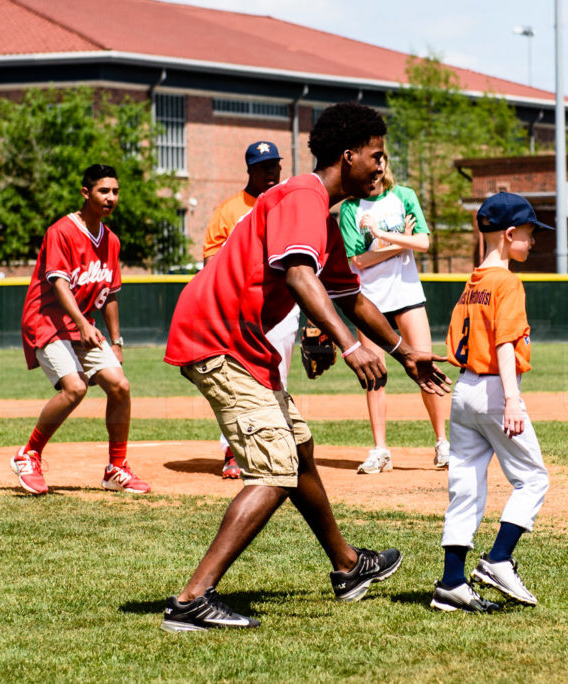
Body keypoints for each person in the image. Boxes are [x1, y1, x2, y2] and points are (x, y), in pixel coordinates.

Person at [159, 102, 450, 632]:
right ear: (349, 156)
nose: (381, 167)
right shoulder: (302, 195)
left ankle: (347, 566)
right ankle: (191, 601)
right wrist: (348, 346)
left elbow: (350, 294)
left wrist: (404, 353)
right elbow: (299, 276)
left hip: (244, 344)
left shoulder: (329, 214)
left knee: (298, 449)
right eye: (376, 156)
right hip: (215, 337)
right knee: (274, 468)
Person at [430, 191, 551, 613]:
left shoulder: (473, 281)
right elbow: (504, 344)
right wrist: (513, 401)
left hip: (463, 393)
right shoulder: (508, 282)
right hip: (496, 390)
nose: (533, 242)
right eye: (530, 234)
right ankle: (499, 559)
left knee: (465, 488)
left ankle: (451, 582)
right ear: (510, 233)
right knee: (533, 479)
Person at [13, 164, 149, 496]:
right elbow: (59, 283)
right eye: (104, 191)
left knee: (120, 386)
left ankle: (116, 468)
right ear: (85, 193)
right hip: (46, 320)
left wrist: (115, 340)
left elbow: (110, 294)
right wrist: (83, 324)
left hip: (81, 324)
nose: (111, 198)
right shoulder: (61, 231)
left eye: (115, 191)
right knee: (75, 388)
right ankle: (28, 455)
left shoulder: (111, 241)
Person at [338, 158, 449, 473]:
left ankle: (443, 443)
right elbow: (358, 261)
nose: (376, 166)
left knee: (424, 364)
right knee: (376, 376)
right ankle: (381, 450)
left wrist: (383, 236)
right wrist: (400, 243)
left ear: (385, 163)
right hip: (369, 301)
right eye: (371, 159)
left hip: (407, 295)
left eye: (380, 159)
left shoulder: (404, 195)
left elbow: (423, 242)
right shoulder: (350, 208)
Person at [201, 140, 288, 479]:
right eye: (263, 166)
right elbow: (210, 258)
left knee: (276, 375)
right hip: (238, 306)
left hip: (280, 303)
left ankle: (274, 445)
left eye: (274, 165)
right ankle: (234, 450)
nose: (270, 171)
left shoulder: (286, 204)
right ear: (249, 170)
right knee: (238, 378)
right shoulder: (229, 209)